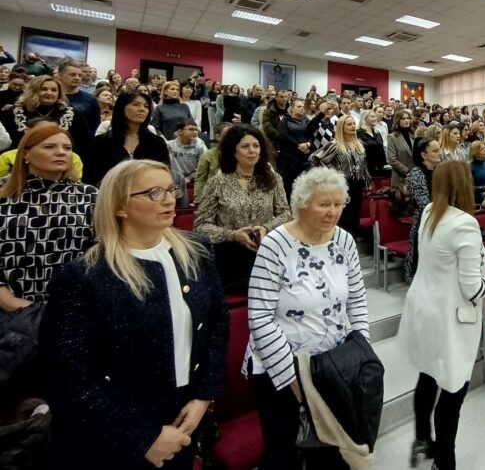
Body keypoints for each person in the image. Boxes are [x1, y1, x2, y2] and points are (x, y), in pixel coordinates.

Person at [41, 159, 229, 469]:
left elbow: (217, 323)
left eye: (171, 189)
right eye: (154, 192)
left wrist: (204, 397)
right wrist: (142, 436)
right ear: (120, 207)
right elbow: (69, 375)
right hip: (116, 431)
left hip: (185, 414)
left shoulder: (197, 250)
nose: (170, 199)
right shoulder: (84, 276)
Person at [245, 166, 370, 470]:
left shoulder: (344, 240)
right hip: (281, 365)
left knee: (330, 453)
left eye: (339, 204)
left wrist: (362, 353)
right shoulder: (276, 245)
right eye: (324, 204)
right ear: (302, 204)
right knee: (284, 452)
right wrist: (292, 378)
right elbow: (260, 316)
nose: (333, 212)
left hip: (332, 365)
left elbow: (356, 299)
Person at [400, 161, 485, 469]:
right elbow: (471, 288)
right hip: (450, 319)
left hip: (426, 311)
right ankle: (445, 460)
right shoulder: (464, 223)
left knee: (428, 377)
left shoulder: (429, 212)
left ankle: (422, 439)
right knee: (452, 392)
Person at [0, 124, 97, 310]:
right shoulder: (4, 197)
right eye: (49, 147)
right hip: (11, 313)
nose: (61, 152)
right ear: (26, 154)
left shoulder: (91, 196)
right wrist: (15, 305)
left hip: (77, 307)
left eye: (67, 148)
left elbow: (101, 248)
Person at [195, 126, 290, 293]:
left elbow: (285, 214)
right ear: (233, 151)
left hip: (267, 253)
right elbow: (201, 226)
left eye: (256, 145)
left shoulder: (273, 179)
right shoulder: (217, 183)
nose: (252, 151)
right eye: (245, 146)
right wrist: (233, 235)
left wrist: (266, 228)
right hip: (230, 257)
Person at [84, 90, 170, 186]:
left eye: (146, 106)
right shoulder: (100, 142)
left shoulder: (157, 143)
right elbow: (89, 180)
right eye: (135, 104)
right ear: (121, 108)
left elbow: (165, 177)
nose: (142, 109)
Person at [309, 114, 371, 236]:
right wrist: (332, 174)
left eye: (354, 124)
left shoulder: (359, 145)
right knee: (343, 220)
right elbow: (314, 158)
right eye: (349, 124)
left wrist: (367, 184)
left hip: (357, 187)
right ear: (341, 128)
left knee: (354, 220)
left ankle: (351, 246)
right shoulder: (335, 145)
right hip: (342, 186)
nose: (353, 126)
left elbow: (364, 167)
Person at [0, 74, 90, 152]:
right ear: (33, 91)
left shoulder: (72, 114)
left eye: (54, 90)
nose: (49, 93)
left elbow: (84, 143)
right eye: (44, 89)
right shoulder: (14, 113)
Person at [405, 138, 441, 284]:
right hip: (425, 220)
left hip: (440, 217)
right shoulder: (417, 173)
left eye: (439, 150)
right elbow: (423, 203)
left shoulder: (439, 170)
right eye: (435, 151)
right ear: (424, 155)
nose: (439, 154)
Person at [276, 98, 327, 197]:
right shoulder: (285, 120)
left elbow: (311, 132)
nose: (302, 109)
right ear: (291, 109)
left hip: (304, 157)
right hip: (289, 159)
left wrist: (307, 144)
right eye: (299, 107)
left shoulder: (305, 120)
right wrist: (298, 145)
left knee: (304, 187)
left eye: (303, 107)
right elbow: (283, 136)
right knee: (288, 187)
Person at [168, 120, 207, 206]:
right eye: (191, 129)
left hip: (193, 180)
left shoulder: (200, 147)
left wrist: (189, 178)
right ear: (180, 131)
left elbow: (204, 169)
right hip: (173, 180)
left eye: (196, 130)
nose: (195, 132)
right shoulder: (169, 145)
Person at [193, 122, 233, 204]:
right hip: (213, 197)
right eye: (227, 134)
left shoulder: (242, 154)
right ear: (218, 137)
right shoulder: (208, 155)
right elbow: (200, 179)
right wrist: (199, 200)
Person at [57, 61, 100, 134]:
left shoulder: (90, 99)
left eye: (80, 75)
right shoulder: (53, 97)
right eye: (72, 75)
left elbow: (95, 126)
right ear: (60, 75)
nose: (77, 78)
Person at [387, 109, 414, 188]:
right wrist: (407, 171)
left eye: (408, 118)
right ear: (398, 121)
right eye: (403, 119)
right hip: (400, 177)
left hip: (414, 176)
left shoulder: (413, 135)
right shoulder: (392, 137)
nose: (407, 121)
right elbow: (392, 159)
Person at [357, 110, 388, 177]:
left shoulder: (377, 133)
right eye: (372, 117)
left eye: (375, 117)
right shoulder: (359, 133)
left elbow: (382, 150)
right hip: (366, 170)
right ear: (365, 118)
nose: (375, 119)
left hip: (380, 169)